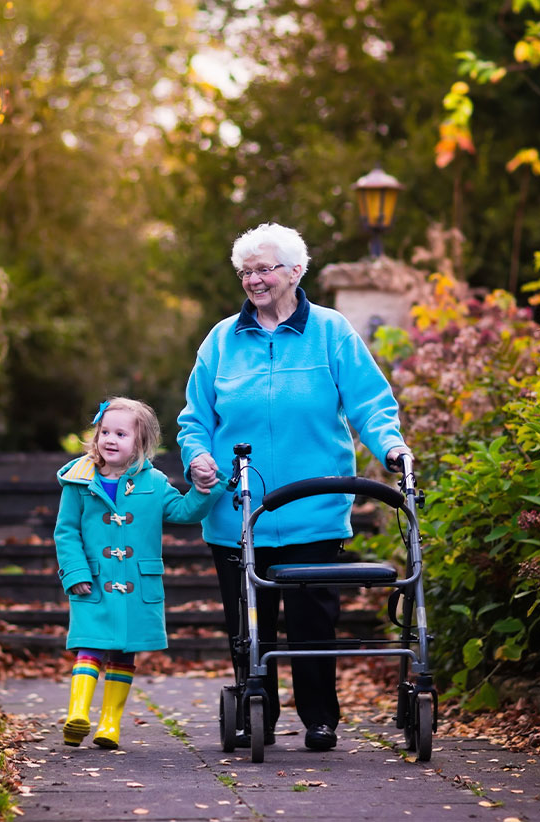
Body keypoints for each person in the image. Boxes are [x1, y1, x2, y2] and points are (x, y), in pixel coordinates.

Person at [177, 222, 412, 752]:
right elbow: (195, 419)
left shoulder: (331, 332)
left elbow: (370, 403)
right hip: (237, 510)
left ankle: (319, 719)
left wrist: (392, 447)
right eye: (246, 272)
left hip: (314, 503)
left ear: (295, 272)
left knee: (313, 621)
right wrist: (196, 459)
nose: (254, 280)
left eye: (264, 269)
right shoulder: (220, 340)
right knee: (247, 622)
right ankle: (255, 707)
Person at [54, 396, 226, 748]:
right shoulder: (78, 481)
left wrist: (207, 488)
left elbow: (183, 511)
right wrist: (74, 573)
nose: (110, 439)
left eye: (121, 433)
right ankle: (77, 712)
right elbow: (66, 531)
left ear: (141, 443)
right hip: (95, 581)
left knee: (124, 652)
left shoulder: (154, 482)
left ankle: (110, 724)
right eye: (105, 431)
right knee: (89, 645)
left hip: (135, 585)